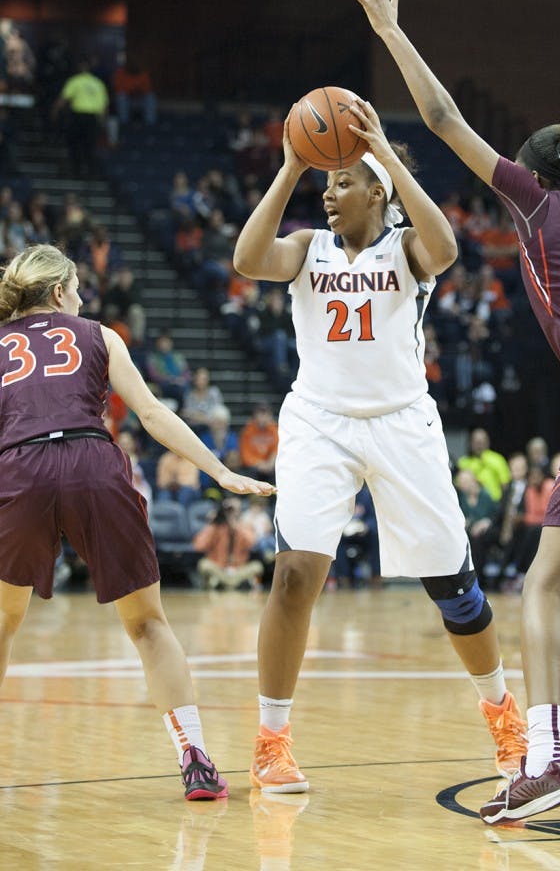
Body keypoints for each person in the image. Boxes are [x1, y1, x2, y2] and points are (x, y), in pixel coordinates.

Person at [347, 0, 560, 822]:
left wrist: (389, 31)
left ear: (531, 173)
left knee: (541, 587)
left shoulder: (537, 203)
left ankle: (544, 761)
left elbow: (444, 116)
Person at [232, 97, 527, 794]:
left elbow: (449, 248)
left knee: (454, 590)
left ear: (377, 192)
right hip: (319, 421)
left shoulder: (407, 248)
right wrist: (289, 166)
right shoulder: (307, 248)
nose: (328, 195)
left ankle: (501, 713)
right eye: (323, 185)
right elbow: (248, 259)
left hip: (401, 425)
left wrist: (389, 155)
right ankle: (271, 743)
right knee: (294, 574)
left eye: (340, 183)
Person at [0, 244, 275, 800]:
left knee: (4, 621)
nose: (80, 301)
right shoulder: (100, 334)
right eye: (77, 291)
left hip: (19, 469)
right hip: (91, 464)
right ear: (59, 293)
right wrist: (220, 471)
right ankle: (195, 759)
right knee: (149, 625)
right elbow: (151, 413)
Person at [52, 59, 109, 177]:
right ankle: (90, 172)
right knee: (89, 146)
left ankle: (77, 171)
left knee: (75, 144)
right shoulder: (98, 83)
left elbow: (63, 99)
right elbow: (104, 107)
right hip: (92, 118)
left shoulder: (75, 81)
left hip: (79, 117)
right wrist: (102, 122)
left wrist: (55, 111)